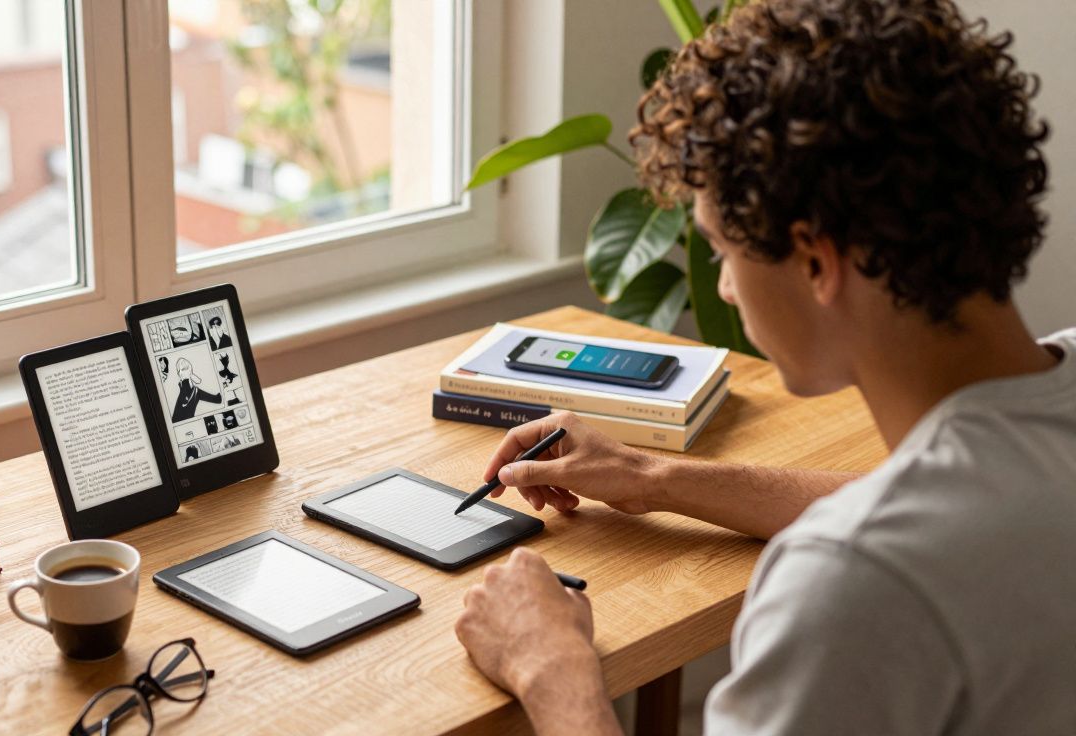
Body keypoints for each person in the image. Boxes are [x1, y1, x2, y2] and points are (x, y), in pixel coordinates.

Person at [454, 1, 1076, 733]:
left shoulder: (853, 584)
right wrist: (652, 478)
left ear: (815, 260)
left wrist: (549, 668)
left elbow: (894, 537)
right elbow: (953, 500)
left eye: (722, 248)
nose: (721, 284)